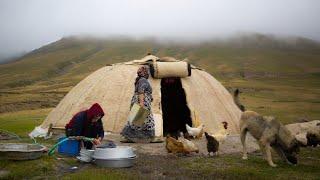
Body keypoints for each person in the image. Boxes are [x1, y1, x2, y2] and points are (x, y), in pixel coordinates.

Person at [121, 66, 155, 142]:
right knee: (144, 119)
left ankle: (132, 137)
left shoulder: (140, 80)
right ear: (145, 72)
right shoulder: (143, 80)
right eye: (147, 71)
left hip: (139, 100)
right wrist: (142, 103)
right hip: (142, 101)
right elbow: (141, 91)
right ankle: (146, 137)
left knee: (137, 119)